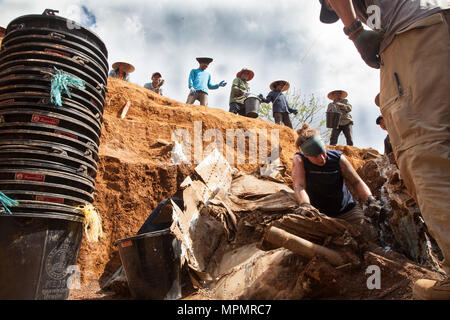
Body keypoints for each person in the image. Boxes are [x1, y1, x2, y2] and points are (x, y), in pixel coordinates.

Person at [317, 0, 450, 300]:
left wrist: (354, 30)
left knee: (424, 149)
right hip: (436, 22)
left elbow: (355, 179)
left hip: (414, 34)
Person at [292, 123, 381, 225]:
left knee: (367, 232)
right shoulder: (300, 160)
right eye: (315, 156)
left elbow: (356, 181)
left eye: (322, 152)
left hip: (347, 210)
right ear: (306, 155)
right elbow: (299, 186)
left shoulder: (337, 158)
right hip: (318, 212)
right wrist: (305, 205)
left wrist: (369, 199)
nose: (321, 158)